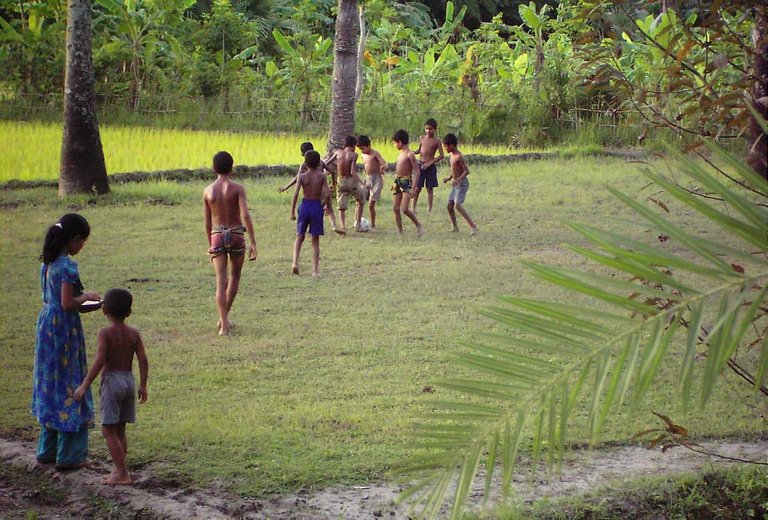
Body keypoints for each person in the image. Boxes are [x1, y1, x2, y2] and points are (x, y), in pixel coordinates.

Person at [32, 213, 101, 470]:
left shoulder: (47, 263)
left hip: (46, 325)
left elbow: (53, 299)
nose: (81, 247)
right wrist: (88, 297)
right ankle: (69, 455)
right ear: (73, 239)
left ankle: (47, 449)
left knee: (51, 380)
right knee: (70, 379)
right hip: (64, 329)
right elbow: (67, 302)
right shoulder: (67, 267)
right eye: (82, 241)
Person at [74, 288, 149, 486]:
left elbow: (100, 360)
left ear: (103, 309)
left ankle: (122, 473)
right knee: (120, 430)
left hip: (112, 382)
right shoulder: (133, 333)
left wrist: (84, 386)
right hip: (129, 381)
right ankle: (119, 470)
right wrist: (143, 385)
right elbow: (143, 359)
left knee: (108, 430)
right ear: (129, 312)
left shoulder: (104, 333)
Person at [203, 151, 258, 336]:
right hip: (236, 234)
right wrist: (253, 242)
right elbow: (245, 215)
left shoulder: (208, 191)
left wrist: (209, 243)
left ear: (213, 168)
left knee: (221, 281)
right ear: (232, 168)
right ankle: (224, 319)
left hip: (217, 235)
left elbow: (207, 222)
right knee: (234, 276)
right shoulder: (237, 189)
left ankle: (223, 324)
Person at [279, 141, 342, 235]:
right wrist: (333, 184)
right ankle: (334, 226)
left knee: (309, 210)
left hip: (312, 194)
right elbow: (332, 171)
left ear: (303, 154)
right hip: (323, 191)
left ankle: (312, 227)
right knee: (329, 209)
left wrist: (286, 187)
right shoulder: (320, 162)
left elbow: (297, 177)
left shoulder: (305, 165)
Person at [290, 150, 330, 277]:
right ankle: (315, 270)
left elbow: (296, 194)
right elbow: (328, 193)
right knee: (315, 239)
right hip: (316, 206)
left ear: (305, 163)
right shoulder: (322, 176)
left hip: (305, 205)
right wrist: (325, 205)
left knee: (299, 236)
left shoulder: (302, 177)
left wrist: (292, 211)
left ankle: (295, 262)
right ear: (318, 163)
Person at [442, 133, 478, 235]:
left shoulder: (459, 156)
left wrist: (457, 180)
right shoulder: (452, 156)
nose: (445, 148)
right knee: (449, 206)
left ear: (452, 145)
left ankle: (473, 226)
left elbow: (466, 171)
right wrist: (449, 178)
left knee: (457, 205)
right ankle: (455, 226)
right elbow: (454, 170)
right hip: (455, 184)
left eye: (446, 146)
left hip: (462, 184)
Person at [391, 129, 424, 237]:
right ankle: (400, 231)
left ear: (400, 142)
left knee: (404, 209)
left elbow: (417, 171)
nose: (394, 145)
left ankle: (418, 224)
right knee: (395, 208)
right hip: (398, 180)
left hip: (407, 182)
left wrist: (414, 188)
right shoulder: (401, 153)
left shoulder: (410, 154)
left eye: (395, 143)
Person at [334, 135, 368, 233]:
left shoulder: (338, 152)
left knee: (341, 205)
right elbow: (353, 172)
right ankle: (357, 224)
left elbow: (328, 162)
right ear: (353, 145)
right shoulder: (353, 155)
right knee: (360, 200)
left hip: (340, 181)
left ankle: (342, 226)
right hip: (350, 181)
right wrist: (362, 183)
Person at [413, 118, 444, 213]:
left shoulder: (437, 141)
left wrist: (429, 163)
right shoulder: (422, 138)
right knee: (417, 188)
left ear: (435, 130)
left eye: (430, 129)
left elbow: (441, 155)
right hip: (420, 165)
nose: (428, 131)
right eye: (426, 128)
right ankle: (413, 208)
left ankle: (429, 208)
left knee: (429, 188)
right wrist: (412, 152)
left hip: (430, 167)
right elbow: (419, 150)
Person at [357, 135, 388, 230]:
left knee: (371, 204)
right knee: (360, 200)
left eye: (363, 148)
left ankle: (373, 224)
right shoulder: (363, 155)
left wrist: (383, 167)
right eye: (360, 149)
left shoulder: (374, 153)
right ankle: (357, 221)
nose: (362, 151)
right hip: (368, 179)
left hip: (376, 179)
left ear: (369, 145)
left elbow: (384, 162)